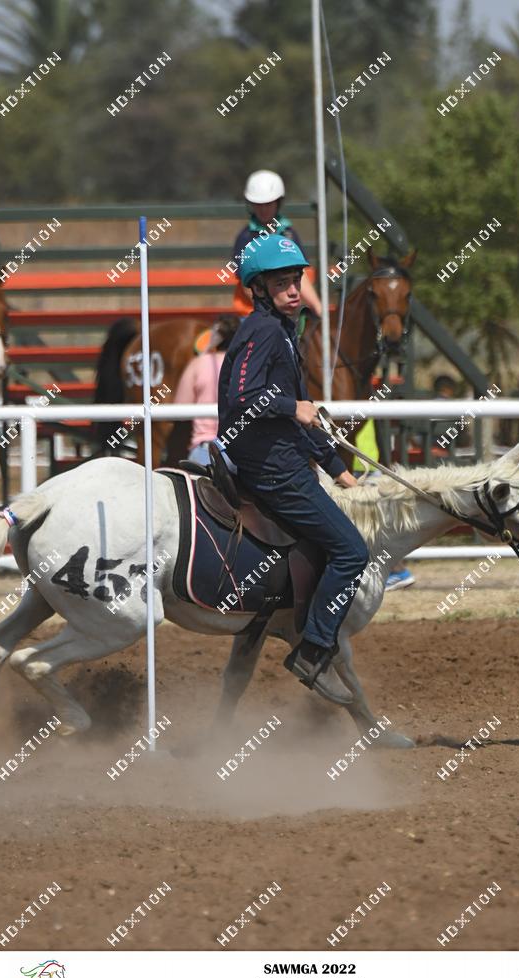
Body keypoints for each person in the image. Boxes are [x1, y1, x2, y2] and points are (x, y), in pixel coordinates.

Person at [218, 234, 368, 705]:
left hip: (283, 459)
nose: (292, 290)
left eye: (296, 281)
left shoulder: (284, 330)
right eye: (281, 282)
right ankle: (313, 652)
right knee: (352, 552)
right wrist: (291, 407)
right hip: (274, 469)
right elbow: (241, 397)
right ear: (259, 289)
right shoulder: (263, 331)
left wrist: (338, 468)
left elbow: (302, 418)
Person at [232, 170, 322, 319]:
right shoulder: (246, 238)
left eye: (268, 204)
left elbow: (301, 275)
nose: (263, 209)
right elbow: (246, 283)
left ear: (278, 202)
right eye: (258, 204)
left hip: (286, 312)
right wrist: (273, 310)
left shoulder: (289, 234)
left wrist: (318, 308)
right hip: (252, 314)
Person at [173, 319, 238, 465]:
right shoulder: (244, 365)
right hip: (239, 448)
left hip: (205, 449)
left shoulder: (198, 364)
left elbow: (180, 409)